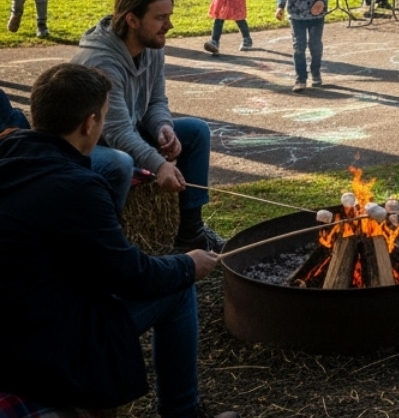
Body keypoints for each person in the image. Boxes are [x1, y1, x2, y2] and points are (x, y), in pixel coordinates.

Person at [0, 64, 232, 418]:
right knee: (177, 289)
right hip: (41, 343)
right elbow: (132, 276)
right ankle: (182, 413)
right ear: (90, 124)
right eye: (105, 117)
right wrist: (188, 264)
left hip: (17, 319)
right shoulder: (77, 186)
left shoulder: (12, 156)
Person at [72, 0, 224, 250]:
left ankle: (191, 235)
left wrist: (162, 128)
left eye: (169, 17)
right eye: (160, 18)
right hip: (84, 146)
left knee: (195, 131)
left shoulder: (152, 48)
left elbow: (156, 101)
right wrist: (160, 165)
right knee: (119, 162)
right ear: (132, 20)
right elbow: (116, 133)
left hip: (121, 131)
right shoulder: (102, 61)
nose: (169, 25)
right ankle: (111, 247)